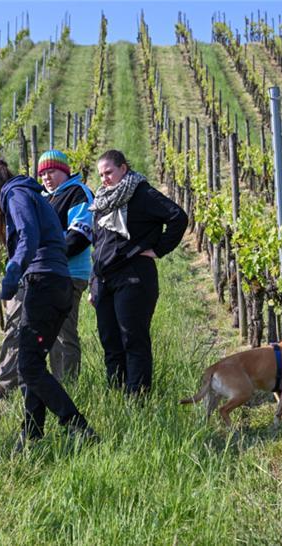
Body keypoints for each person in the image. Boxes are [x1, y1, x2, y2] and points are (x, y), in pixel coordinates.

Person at [0, 160, 97, 448]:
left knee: (28, 366)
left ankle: (78, 426)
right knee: (33, 363)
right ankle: (32, 434)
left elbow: (28, 236)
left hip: (43, 284)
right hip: (56, 284)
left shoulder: (14, 194)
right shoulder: (29, 194)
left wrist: (13, 273)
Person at [89, 150, 187, 395]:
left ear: (123, 168)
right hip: (104, 280)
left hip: (133, 277)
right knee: (110, 342)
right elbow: (98, 244)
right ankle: (116, 395)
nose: (105, 179)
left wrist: (158, 249)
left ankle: (137, 400)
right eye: (101, 174)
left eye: (109, 172)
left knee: (132, 340)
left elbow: (178, 217)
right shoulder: (103, 200)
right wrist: (93, 283)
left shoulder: (142, 194)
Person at [38, 150, 94, 382]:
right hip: (49, 274)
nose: (47, 178)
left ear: (64, 171)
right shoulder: (45, 197)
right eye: (43, 174)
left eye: (52, 171)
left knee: (64, 333)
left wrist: (46, 256)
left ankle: (69, 385)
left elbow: (78, 237)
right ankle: (57, 382)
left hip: (69, 274)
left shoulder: (77, 193)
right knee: (51, 333)